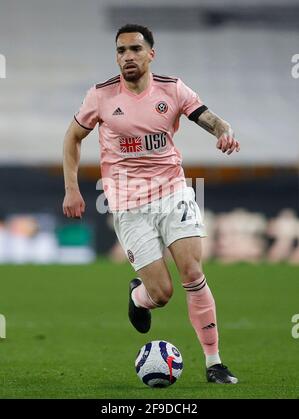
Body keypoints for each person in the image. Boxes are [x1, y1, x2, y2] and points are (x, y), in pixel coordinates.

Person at [62, 24, 240, 384]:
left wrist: (224, 130)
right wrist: (72, 189)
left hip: (173, 192)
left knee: (192, 272)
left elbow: (207, 116)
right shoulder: (101, 96)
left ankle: (214, 363)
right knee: (161, 294)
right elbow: (73, 137)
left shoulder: (172, 89)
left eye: (135, 50)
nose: (127, 57)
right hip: (127, 203)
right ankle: (139, 297)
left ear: (150, 54)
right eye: (121, 51)